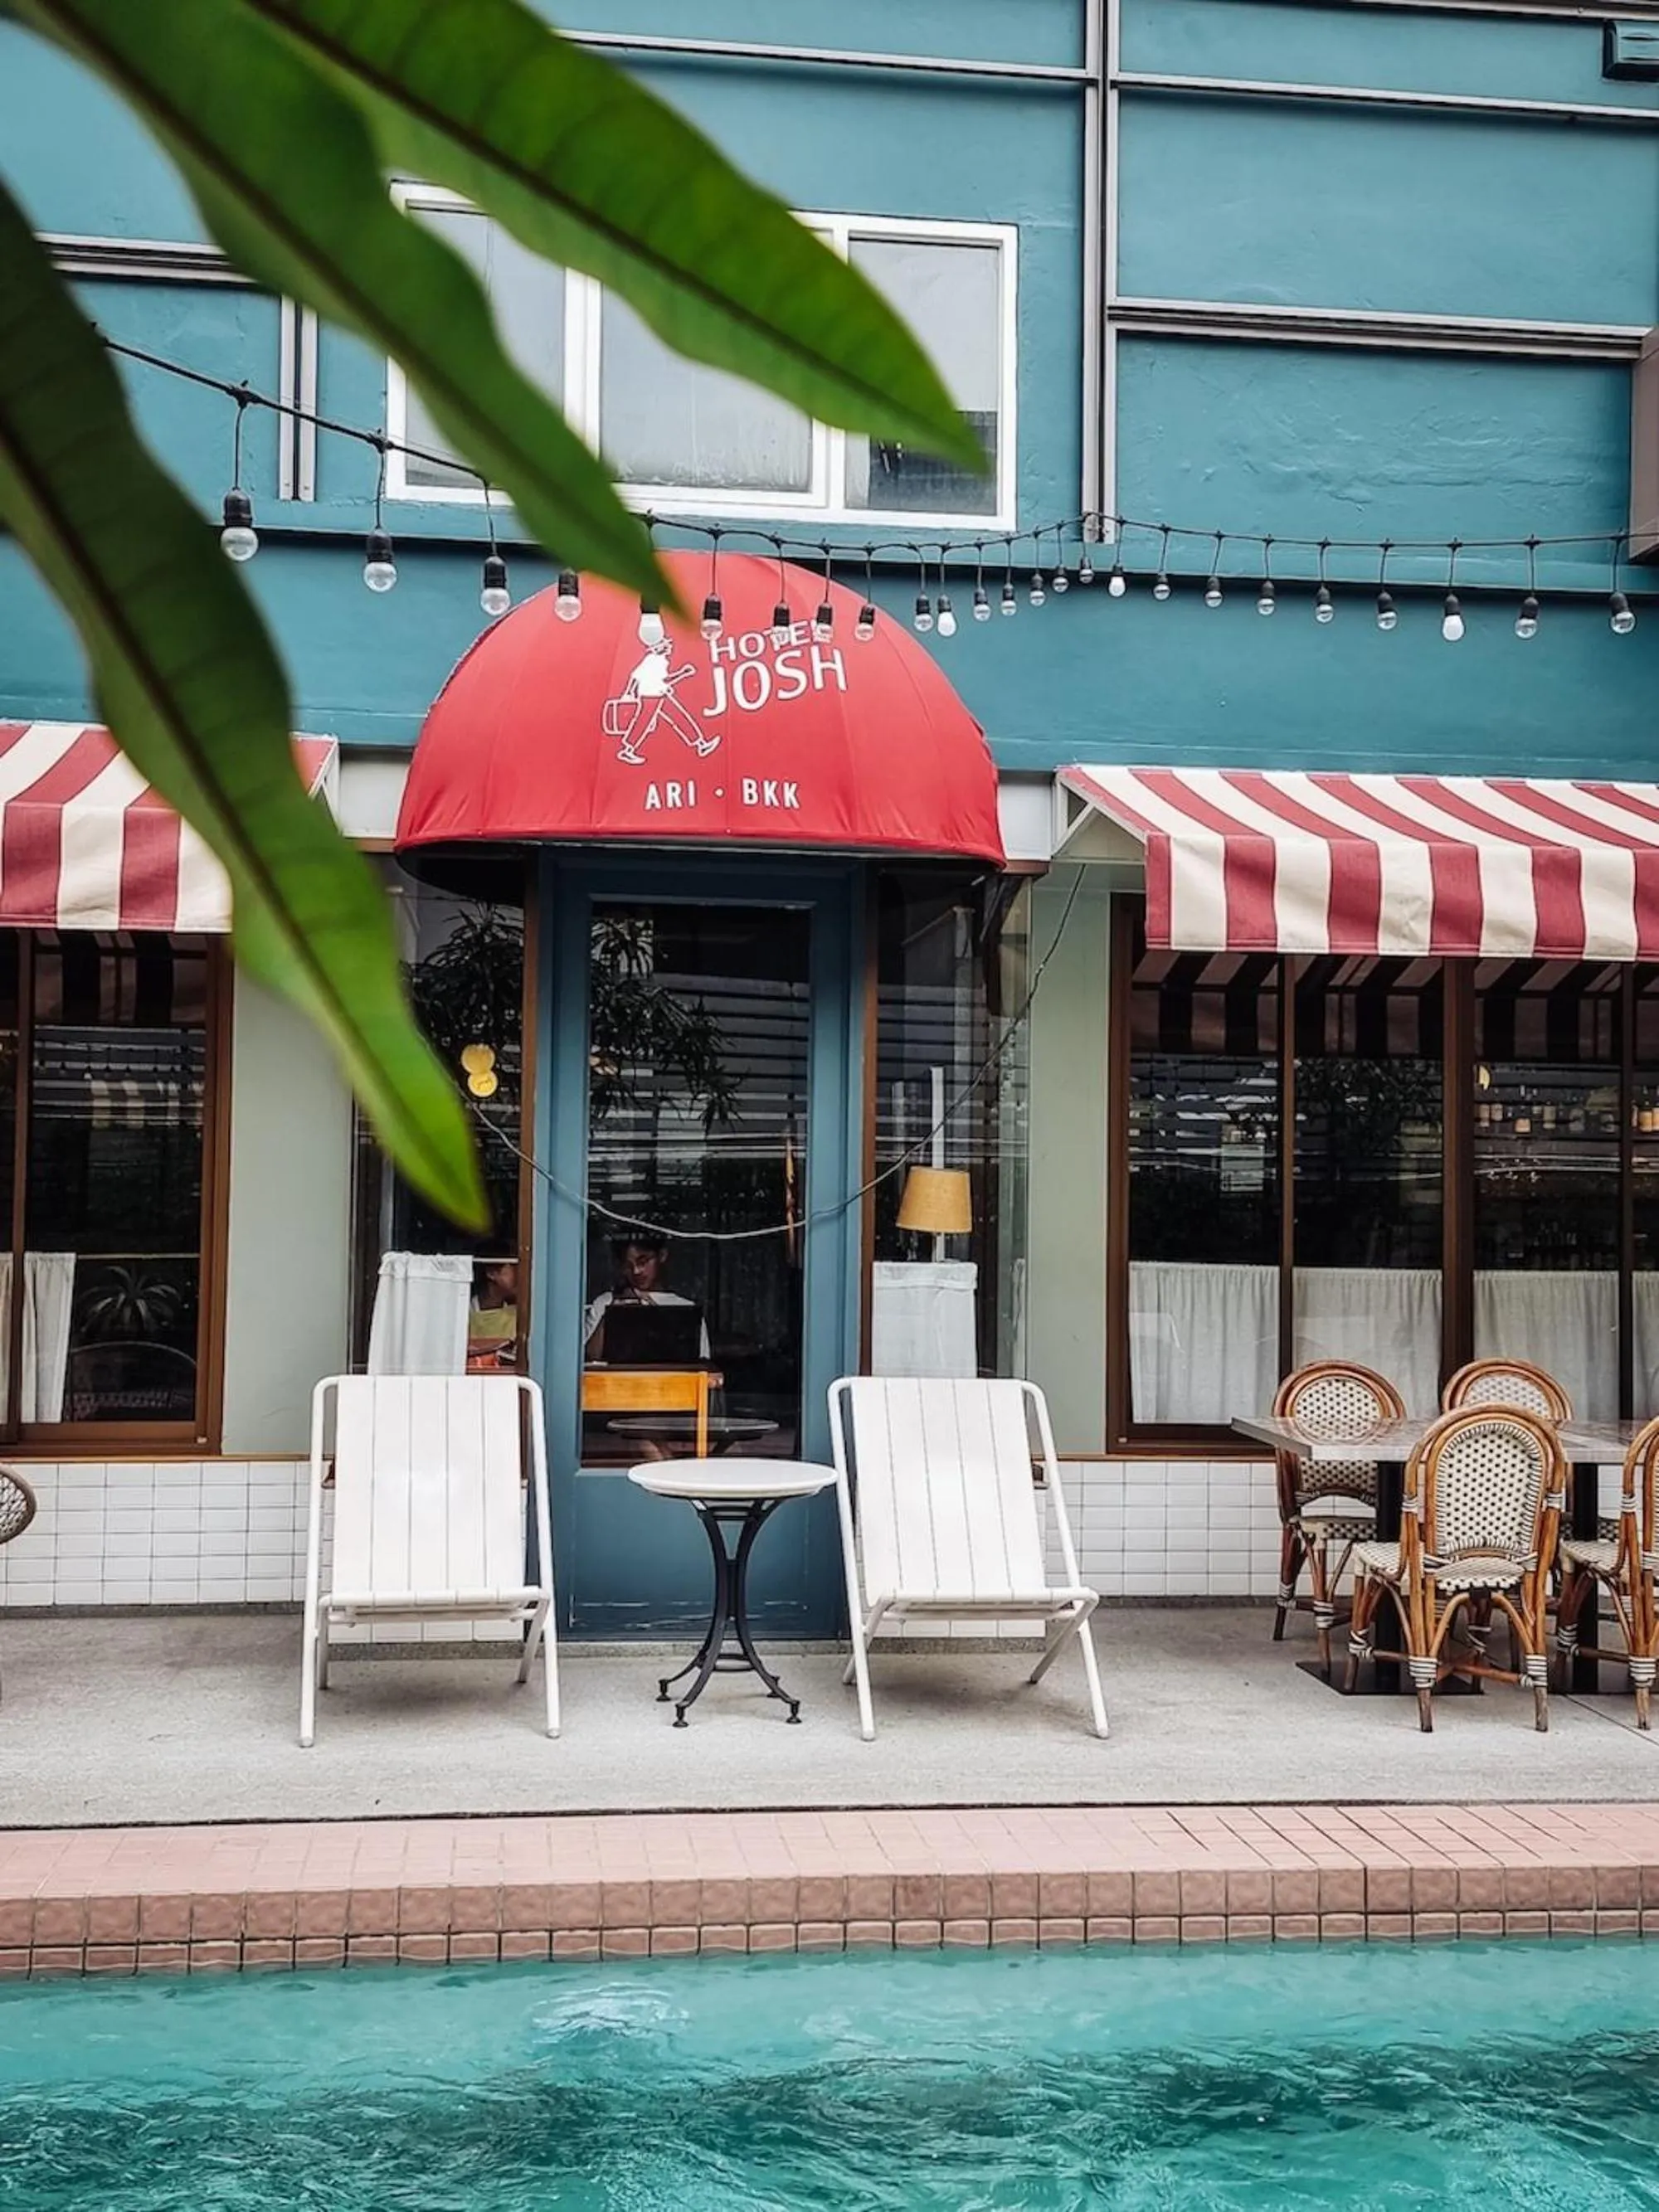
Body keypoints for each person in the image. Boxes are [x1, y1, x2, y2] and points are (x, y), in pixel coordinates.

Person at [583, 1237, 710, 1358]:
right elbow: (589, 1357)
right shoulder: (606, 1302)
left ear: (662, 1256)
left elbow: (702, 1365)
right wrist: (614, 1314)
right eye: (628, 1266)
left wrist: (655, 1315)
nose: (636, 1271)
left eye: (643, 1262)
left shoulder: (686, 1309)